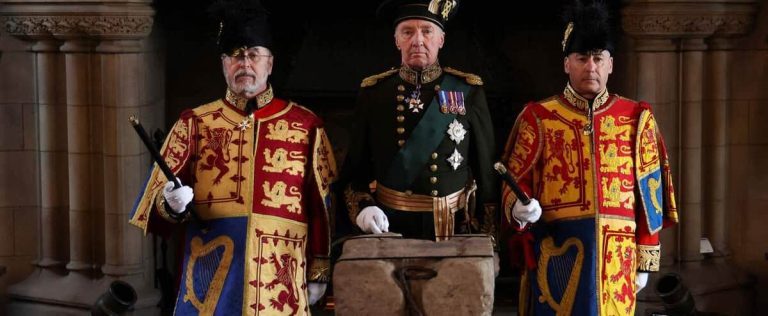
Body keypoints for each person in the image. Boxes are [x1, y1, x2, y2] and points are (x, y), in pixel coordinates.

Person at [129, 1, 337, 314]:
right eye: (235, 56)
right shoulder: (194, 123)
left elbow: (322, 204)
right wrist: (168, 203)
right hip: (211, 275)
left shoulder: (306, 125)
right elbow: (153, 214)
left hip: (281, 277)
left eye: (254, 55)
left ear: (270, 63)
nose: (244, 64)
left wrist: (319, 268)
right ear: (224, 64)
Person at [500, 2, 679, 315]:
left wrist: (646, 256)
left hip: (619, 259)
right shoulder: (538, 117)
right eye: (582, 58)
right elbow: (514, 179)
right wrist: (518, 206)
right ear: (567, 64)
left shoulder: (637, 118)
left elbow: (651, 194)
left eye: (598, 58)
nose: (590, 67)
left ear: (611, 64)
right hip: (556, 251)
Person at [338, 0, 498, 243]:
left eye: (426, 31)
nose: (418, 40)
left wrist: (491, 241)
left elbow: (487, 173)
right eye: (408, 32)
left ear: (441, 40)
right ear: (397, 40)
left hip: (452, 230)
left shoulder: (468, 90)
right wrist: (364, 209)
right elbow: (355, 170)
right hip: (390, 227)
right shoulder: (375, 92)